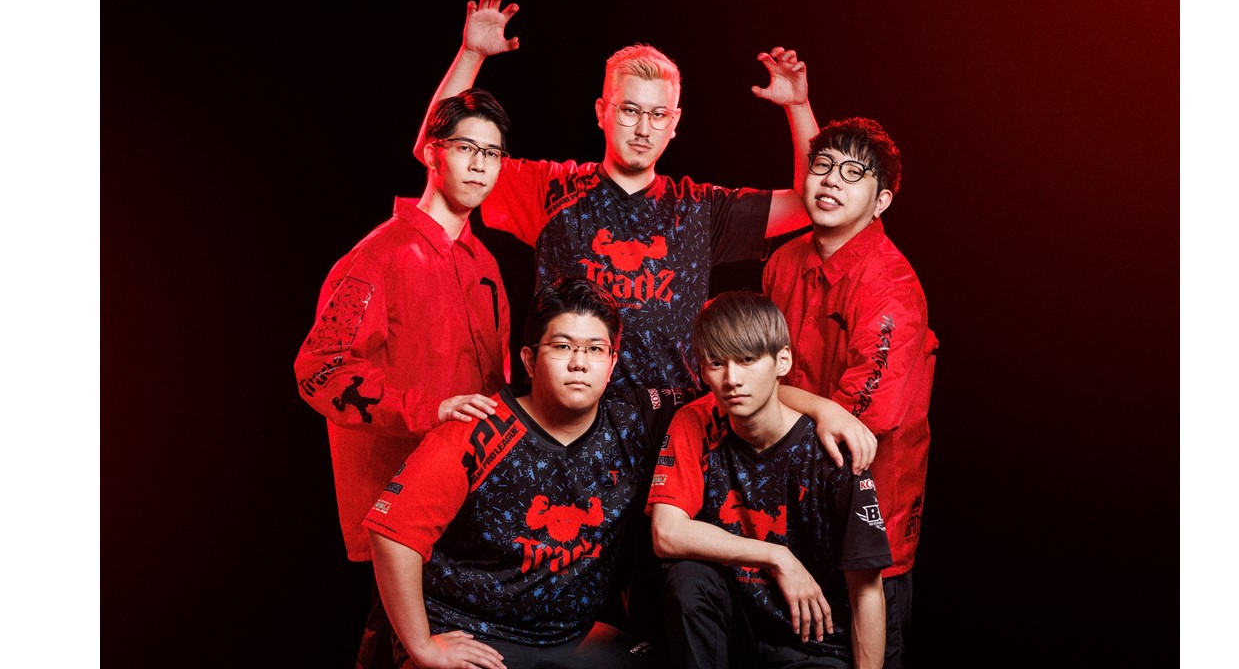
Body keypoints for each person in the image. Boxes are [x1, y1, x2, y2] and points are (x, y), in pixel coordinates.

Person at [362, 279, 878, 669]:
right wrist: (423, 645)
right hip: (471, 632)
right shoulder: (477, 428)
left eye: (595, 350)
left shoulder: (637, 419)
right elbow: (392, 534)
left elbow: (738, 388)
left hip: (569, 637)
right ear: (529, 359)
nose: (579, 363)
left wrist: (825, 409)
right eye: (563, 347)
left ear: (612, 364)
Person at [412, 0, 823, 400]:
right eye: (629, 110)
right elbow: (438, 153)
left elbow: (811, 203)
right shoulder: (551, 188)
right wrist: (471, 55)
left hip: (670, 421)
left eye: (658, 115)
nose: (643, 129)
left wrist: (798, 106)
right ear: (601, 112)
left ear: (674, 123)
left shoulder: (700, 209)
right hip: (566, 418)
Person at [295, 88, 516, 669]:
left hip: (469, 509)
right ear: (431, 152)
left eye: (492, 153)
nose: (479, 165)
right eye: (465, 148)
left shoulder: (484, 264)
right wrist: (428, 407)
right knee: (402, 647)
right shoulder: (378, 257)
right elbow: (320, 369)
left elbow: (495, 383)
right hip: (400, 513)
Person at [758, 51, 939, 669]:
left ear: (881, 201)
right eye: (822, 166)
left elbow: (859, 424)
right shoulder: (783, 262)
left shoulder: (891, 288)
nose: (831, 180)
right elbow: (754, 369)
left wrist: (775, 399)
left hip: (869, 514)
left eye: (852, 173)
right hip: (786, 506)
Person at [647, 291, 892, 668]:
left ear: (782, 360)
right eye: (716, 363)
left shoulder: (834, 452)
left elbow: (866, 590)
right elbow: (666, 534)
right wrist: (777, 557)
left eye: (747, 359)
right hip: (738, 637)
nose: (732, 379)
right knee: (688, 578)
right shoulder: (695, 422)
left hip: (815, 646)